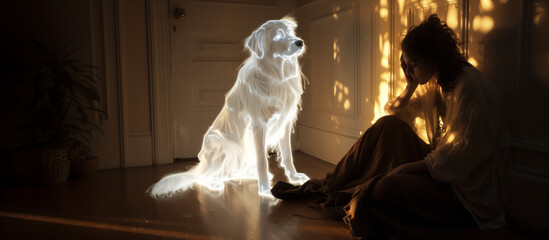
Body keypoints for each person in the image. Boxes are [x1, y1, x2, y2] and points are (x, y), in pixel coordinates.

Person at [271, 14, 510, 239]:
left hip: (464, 195)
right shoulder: (435, 81)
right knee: (387, 125)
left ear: (434, 58)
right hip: (442, 169)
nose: (407, 71)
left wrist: (401, 170)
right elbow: (395, 112)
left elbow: (453, 163)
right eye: (405, 65)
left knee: (383, 188)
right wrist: (410, 85)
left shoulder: (470, 90)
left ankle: (351, 190)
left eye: (412, 65)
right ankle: (328, 183)